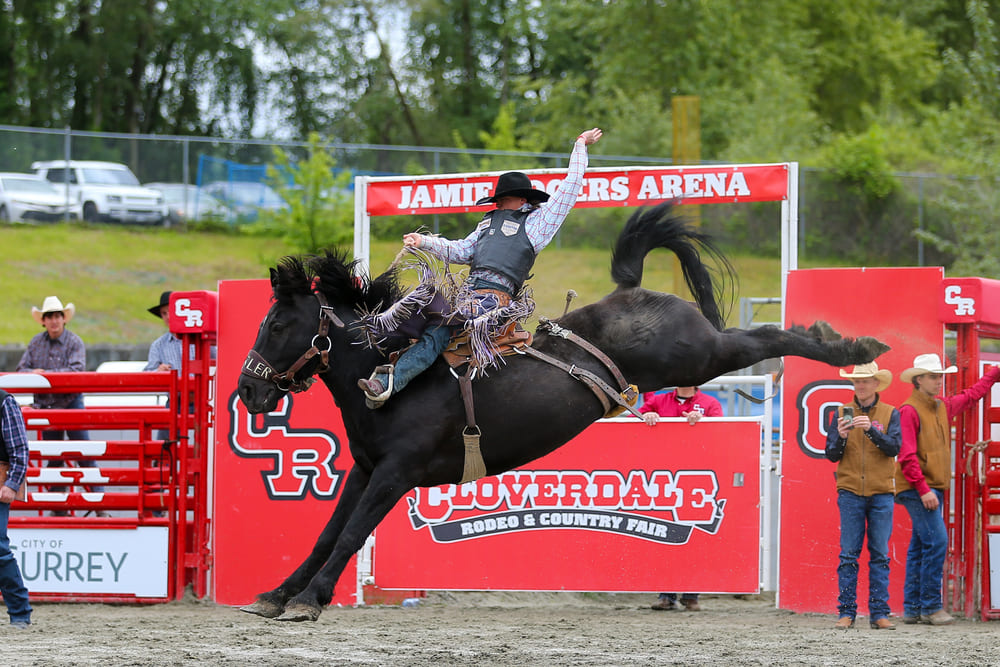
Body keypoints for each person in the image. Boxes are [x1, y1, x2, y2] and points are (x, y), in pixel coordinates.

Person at [357, 126, 604, 407]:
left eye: (503, 198)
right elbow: (461, 250)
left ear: (522, 200)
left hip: (494, 300)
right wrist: (423, 241)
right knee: (416, 314)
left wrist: (580, 145)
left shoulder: (538, 224)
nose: (498, 202)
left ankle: (389, 383)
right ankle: (387, 374)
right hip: (468, 295)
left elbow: (570, 187)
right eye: (497, 199)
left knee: (441, 326)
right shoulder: (487, 224)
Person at [895, 353, 1000, 626]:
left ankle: (913, 608)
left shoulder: (938, 406)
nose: (938, 381)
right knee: (937, 541)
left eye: (940, 376)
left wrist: (992, 375)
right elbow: (906, 456)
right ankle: (930, 607)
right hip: (921, 488)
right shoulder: (909, 410)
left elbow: (970, 395)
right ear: (919, 380)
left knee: (921, 545)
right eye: (933, 377)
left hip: (926, 487)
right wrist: (923, 489)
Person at [823, 362, 901, 630]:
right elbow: (831, 454)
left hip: (881, 492)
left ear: (876, 383)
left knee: (879, 555)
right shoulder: (840, 414)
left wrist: (871, 430)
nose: (861, 385)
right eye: (857, 381)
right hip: (851, 491)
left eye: (866, 381)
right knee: (849, 555)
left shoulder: (891, 413)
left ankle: (879, 613)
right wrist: (842, 437)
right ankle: (847, 612)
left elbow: (894, 448)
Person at [15, 295, 105, 517]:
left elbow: (76, 372)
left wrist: (40, 376)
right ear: (44, 320)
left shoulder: (74, 342)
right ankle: (60, 507)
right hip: (49, 406)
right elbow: (21, 370)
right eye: (50, 317)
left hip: (68, 402)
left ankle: (100, 504)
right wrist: (34, 374)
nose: (54, 321)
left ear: (63, 319)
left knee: (84, 453)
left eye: (57, 316)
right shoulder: (37, 343)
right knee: (54, 457)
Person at [640, 385, 723, 611]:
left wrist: (703, 422)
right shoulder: (658, 400)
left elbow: (722, 431)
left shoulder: (710, 404)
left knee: (695, 537)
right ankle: (667, 594)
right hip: (664, 477)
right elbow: (633, 417)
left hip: (697, 478)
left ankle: (690, 593)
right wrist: (646, 415)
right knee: (663, 536)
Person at [0, 388, 33, 629]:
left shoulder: (4, 401)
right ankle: (20, 612)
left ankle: (20, 612)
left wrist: (12, 483)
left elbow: (19, 448)